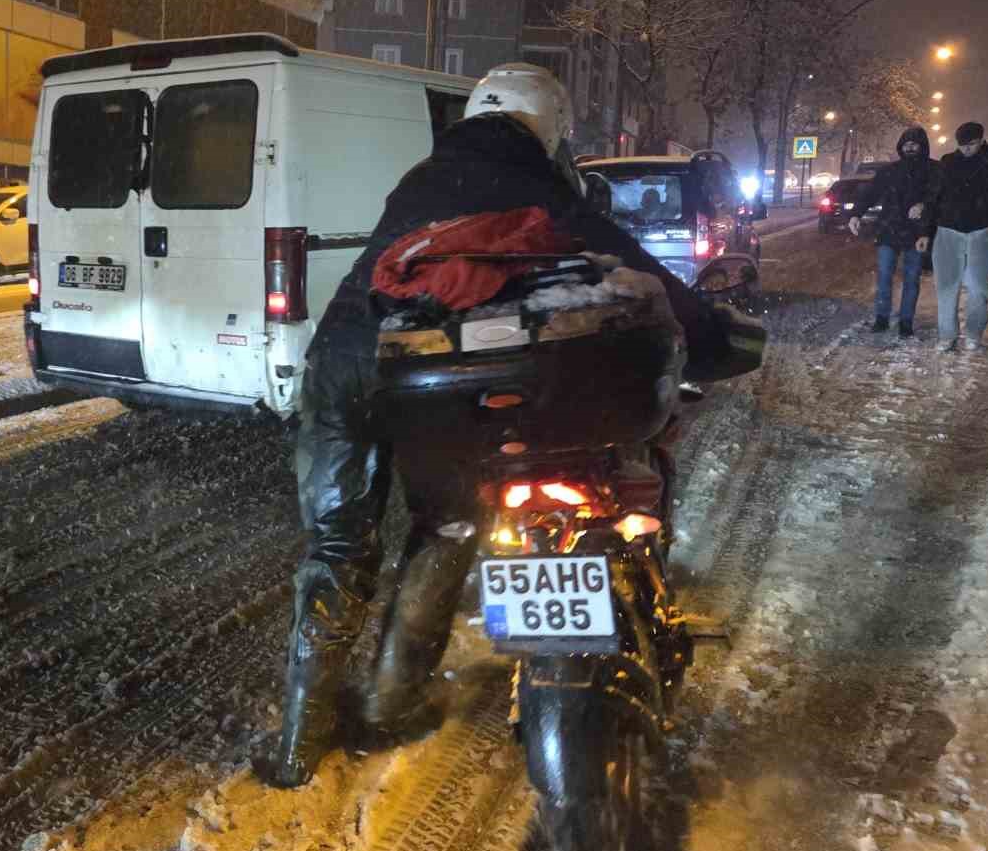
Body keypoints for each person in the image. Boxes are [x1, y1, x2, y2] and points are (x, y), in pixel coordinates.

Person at [257, 64, 753, 789]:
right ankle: (392, 703)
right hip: (431, 371)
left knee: (335, 544)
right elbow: (643, 275)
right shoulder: (543, 186)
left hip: (345, 359)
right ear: (549, 129)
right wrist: (709, 342)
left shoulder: (421, 178)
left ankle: (301, 741)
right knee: (448, 522)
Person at [927, 121, 988, 351]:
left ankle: (973, 332)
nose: (966, 149)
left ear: (981, 140)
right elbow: (934, 197)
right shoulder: (948, 163)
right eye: (962, 145)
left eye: (971, 144)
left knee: (978, 286)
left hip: (982, 231)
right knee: (946, 285)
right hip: (948, 230)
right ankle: (947, 334)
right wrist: (925, 230)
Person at [850, 126, 937, 337]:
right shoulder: (889, 171)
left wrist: (924, 206)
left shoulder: (934, 170)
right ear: (901, 146)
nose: (910, 148)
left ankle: (906, 322)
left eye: (914, 144)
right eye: (906, 144)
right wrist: (856, 214)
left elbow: (938, 198)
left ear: (923, 146)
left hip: (917, 232)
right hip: (889, 230)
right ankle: (881, 317)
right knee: (884, 277)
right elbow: (870, 193)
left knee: (911, 278)